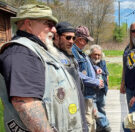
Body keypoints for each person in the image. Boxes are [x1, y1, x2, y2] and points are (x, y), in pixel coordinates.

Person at [0, 4, 86, 132]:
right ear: (29, 24)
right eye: (48, 24)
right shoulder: (21, 53)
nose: (54, 30)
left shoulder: (39, 50)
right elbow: (27, 105)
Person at [52, 21, 88, 132]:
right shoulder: (52, 56)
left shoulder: (69, 54)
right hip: (65, 111)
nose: (71, 41)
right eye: (68, 38)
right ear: (56, 36)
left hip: (78, 106)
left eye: (73, 38)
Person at [72, 26, 104, 132]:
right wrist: (95, 81)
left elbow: (87, 64)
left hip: (89, 93)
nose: (87, 43)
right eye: (86, 40)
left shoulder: (81, 52)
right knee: (87, 121)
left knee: (91, 118)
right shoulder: (73, 52)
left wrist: (96, 68)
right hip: (84, 94)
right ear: (80, 39)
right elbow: (76, 73)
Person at [88, 44, 111, 132]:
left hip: (101, 92)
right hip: (91, 91)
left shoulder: (102, 62)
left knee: (102, 109)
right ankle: (106, 125)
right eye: (95, 54)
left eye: (99, 55)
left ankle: (100, 128)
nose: (97, 56)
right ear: (90, 54)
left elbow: (106, 74)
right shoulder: (87, 62)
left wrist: (106, 85)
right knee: (95, 112)